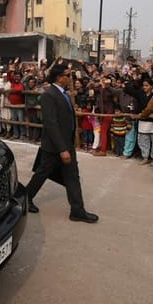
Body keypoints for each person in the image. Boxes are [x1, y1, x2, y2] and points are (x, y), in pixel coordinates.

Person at [26, 63, 99, 224]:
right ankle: (25, 197)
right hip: (55, 146)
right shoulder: (49, 95)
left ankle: (77, 211)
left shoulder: (64, 94)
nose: (71, 78)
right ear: (59, 78)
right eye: (68, 75)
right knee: (42, 173)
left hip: (67, 143)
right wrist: (62, 149)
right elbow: (51, 124)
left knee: (72, 176)